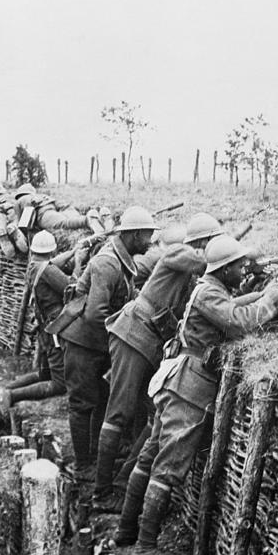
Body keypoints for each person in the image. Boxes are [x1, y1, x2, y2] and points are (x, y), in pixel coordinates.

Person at [118, 235, 278, 555]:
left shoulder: (211, 288)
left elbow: (233, 306)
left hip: (177, 381)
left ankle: (126, 531)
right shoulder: (209, 292)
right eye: (238, 266)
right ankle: (145, 549)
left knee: (151, 455)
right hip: (189, 389)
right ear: (224, 270)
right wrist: (269, 300)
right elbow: (239, 321)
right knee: (167, 468)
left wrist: (277, 292)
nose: (243, 270)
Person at [92, 213, 223, 512]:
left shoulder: (192, 273)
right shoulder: (179, 253)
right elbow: (194, 259)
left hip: (148, 341)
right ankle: (101, 494)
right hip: (134, 333)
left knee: (151, 415)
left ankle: (123, 484)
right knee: (119, 413)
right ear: (203, 243)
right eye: (215, 243)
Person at [46, 206, 158, 490]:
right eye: (147, 236)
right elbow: (96, 314)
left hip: (96, 342)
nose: (150, 241)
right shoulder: (108, 263)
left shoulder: (124, 260)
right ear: (133, 235)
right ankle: (83, 464)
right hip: (83, 341)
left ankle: (96, 455)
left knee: (100, 397)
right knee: (82, 402)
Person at [0, 230, 85, 413]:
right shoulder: (47, 271)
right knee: (60, 384)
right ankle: (11, 396)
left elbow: (52, 264)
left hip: (45, 329)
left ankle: (5, 389)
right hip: (56, 330)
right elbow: (72, 288)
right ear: (52, 250)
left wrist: (73, 251)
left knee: (44, 374)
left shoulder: (34, 266)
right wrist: (79, 261)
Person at [13, 183, 107, 233]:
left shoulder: (20, 201)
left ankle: (87, 220)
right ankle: (97, 215)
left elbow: (22, 223)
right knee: (70, 215)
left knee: (64, 224)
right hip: (54, 205)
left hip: (44, 213)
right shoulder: (42, 195)